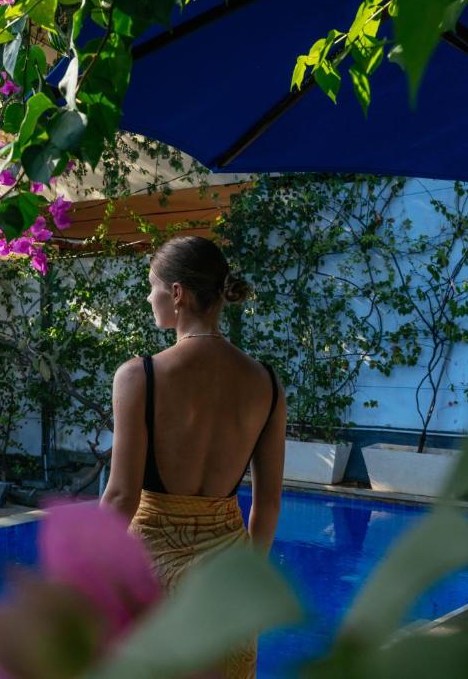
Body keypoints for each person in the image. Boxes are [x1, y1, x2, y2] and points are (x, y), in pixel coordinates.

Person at [100, 236, 286, 678]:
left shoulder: (139, 376)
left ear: (178, 293)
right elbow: (270, 504)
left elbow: (122, 496)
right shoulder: (267, 384)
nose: (149, 297)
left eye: (153, 286)